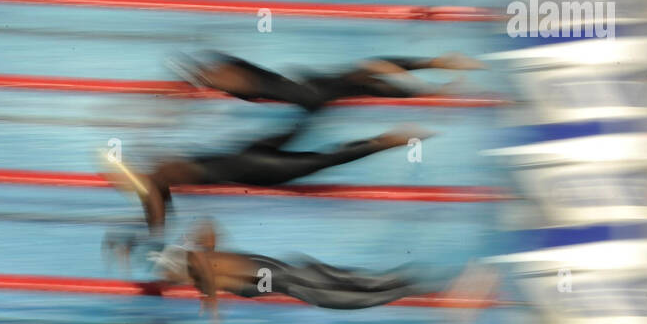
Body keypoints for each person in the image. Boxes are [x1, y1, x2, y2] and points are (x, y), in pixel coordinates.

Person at [104, 219, 498, 324]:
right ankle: (453, 288)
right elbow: (209, 230)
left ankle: (454, 291)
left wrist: (210, 305)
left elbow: (202, 261)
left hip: (295, 279)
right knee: (372, 285)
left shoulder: (189, 262)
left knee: (368, 294)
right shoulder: (190, 256)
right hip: (294, 274)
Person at [97, 123, 432, 232]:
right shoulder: (160, 170)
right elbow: (158, 211)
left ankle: (392, 139)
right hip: (252, 151)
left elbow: (157, 222)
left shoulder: (155, 184)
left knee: (328, 159)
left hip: (260, 169)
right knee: (310, 125)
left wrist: (131, 231)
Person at [170, 50, 487, 111]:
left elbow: (228, 61)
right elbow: (246, 77)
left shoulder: (226, 73)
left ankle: (429, 84)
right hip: (309, 92)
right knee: (370, 68)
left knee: (366, 84)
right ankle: (432, 74)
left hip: (308, 88)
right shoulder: (230, 82)